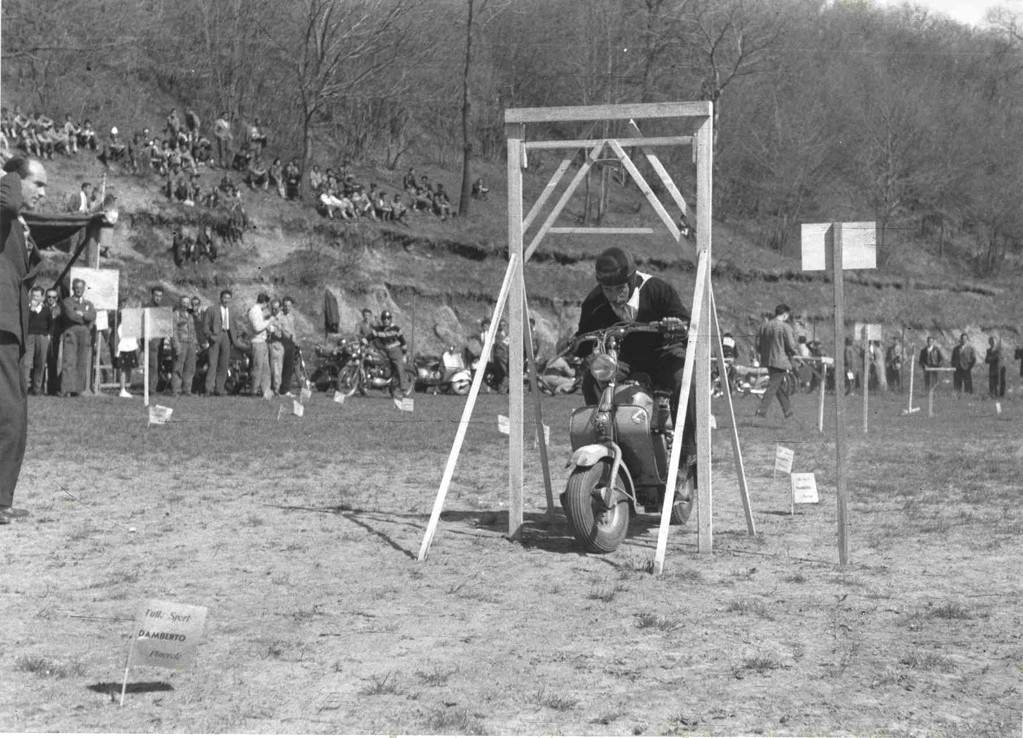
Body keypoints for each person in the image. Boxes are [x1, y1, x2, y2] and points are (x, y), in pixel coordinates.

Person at [575, 246, 693, 450]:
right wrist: (581, 348)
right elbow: (583, 339)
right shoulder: (594, 302)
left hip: (663, 354)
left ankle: (688, 450)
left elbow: (686, 323)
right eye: (607, 289)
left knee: (683, 379)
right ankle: (605, 438)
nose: (613, 296)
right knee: (591, 379)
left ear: (630, 281)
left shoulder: (656, 289)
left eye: (619, 288)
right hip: (625, 360)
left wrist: (677, 326)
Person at [0, 156, 46, 522]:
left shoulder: (14, 219)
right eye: (39, 184)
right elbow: (11, 201)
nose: (43, 193)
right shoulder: (6, 205)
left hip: (12, 324)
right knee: (11, 413)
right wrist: (6, 172)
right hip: (3, 326)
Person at [754, 303, 798, 419]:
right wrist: (795, 354)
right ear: (784, 315)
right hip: (780, 361)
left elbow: (758, 344)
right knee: (773, 385)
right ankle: (761, 411)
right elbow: (791, 345)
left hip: (768, 359)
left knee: (777, 385)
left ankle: (788, 411)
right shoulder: (785, 327)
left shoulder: (765, 326)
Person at [59, 277, 96, 396]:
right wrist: (84, 318)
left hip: (85, 334)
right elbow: (71, 316)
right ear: (73, 288)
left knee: (82, 361)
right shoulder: (67, 301)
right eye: (76, 287)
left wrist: (83, 314)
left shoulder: (88, 303)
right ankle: (67, 389)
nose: (78, 290)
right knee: (69, 360)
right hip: (71, 332)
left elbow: (92, 315)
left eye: (81, 288)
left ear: (84, 289)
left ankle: (78, 389)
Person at [370, 310, 410, 396]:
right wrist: (363, 341)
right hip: (384, 351)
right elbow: (370, 336)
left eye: (388, 318)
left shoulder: (396, 329)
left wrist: (404, 352)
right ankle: (382, 382)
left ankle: (404, 389)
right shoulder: (378, 329)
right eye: (384, 318)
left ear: (390, 319)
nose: (386, 320)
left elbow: (403, 341)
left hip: (395, 351)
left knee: (399, 368)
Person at [204, 289, 236, 395]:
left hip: (227, 336)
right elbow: (205, 326)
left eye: (228, 298)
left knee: (224, 364)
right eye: (224, 298)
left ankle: (219, 388)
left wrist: (234, 338)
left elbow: (234, 326)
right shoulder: (212, 309)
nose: (226, 300)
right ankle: (209, 389)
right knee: (212, 363)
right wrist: (210, 336)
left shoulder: (231, 311)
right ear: (220, 298)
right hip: (215, 336)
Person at [21, 286, 52, 395]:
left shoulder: (46, 309)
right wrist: (31, 311)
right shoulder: (27, 309)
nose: (35, 298)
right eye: (33, 295)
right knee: (26, 363)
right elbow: (24, 322)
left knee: (40, 362)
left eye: (38, 296)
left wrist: (48, 335)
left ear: (42, 297)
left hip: (42, 337)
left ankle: (37, 389)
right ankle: (23, 388)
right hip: (29, 336)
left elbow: (50, 323)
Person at [248, 292, 274, 399]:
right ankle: (254, 390)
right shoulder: (254, 311)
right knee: (257, 368)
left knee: (266, 368)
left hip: (263, 342)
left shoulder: (260, 311)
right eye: (266, 304)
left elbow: (264, 325)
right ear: (264, 302)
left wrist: (270, 327)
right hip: (257, 342)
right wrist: (268, 321)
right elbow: (257, 327)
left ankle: (266, 391)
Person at [171, 295, 198, 396]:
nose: (186, 304)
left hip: (191, 343)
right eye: (184, 302)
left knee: (190, 368)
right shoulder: (175, 314)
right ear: (180, 302)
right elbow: (173, 330)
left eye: (187, 302)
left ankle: (187, 389)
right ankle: (176, 390)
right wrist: (176, 344)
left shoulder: (190, 316)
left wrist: (195, 343)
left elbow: (193, 330)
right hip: (181, 342)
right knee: (178, 367)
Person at [146, 286, 166, 394]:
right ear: (152, 295)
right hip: (151, 340)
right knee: (152, 364)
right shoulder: (147, 307)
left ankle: (155, 386)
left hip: (160, 340)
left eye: (160, 296)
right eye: (156, 295)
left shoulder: (162, 309)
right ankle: (150, 388)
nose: (158, 298)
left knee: (158, 363)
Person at [277, 296, 298, 396]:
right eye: (285, 305)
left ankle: (286, 389)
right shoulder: (279, 316)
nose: (287, 308)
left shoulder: (292, 316)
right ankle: (279, 388)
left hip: (291, 344)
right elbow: (280, 330)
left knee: (289, 367)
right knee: (281, 367)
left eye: (289, 306)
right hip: (282, 343)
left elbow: (293, 329)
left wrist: (295, 339)